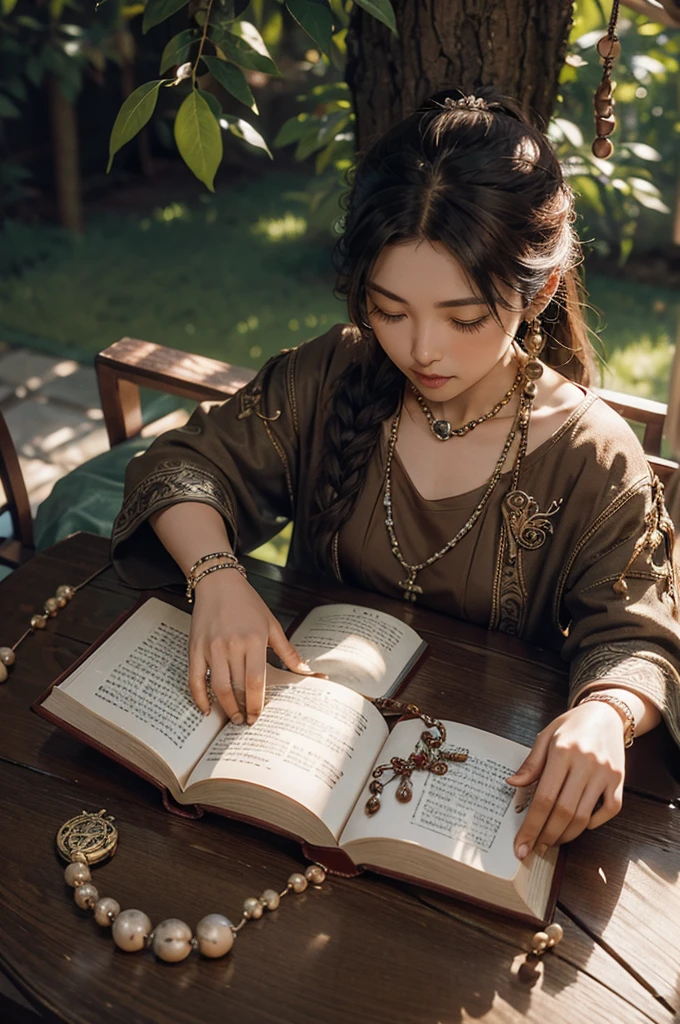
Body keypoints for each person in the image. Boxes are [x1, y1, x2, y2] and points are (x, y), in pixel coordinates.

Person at [111, 90, 680, 864]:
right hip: (283, 765)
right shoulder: (336, 371)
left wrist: (607, 715)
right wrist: (217, 577)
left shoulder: (590, 454)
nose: (422, 351)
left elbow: (640, 637)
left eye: (464, 317)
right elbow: (183, 466)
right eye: (389, 309)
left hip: (472, 797)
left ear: (538, 291)